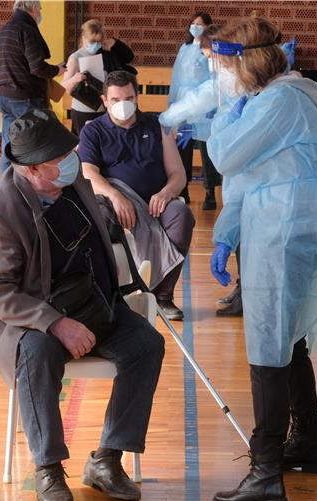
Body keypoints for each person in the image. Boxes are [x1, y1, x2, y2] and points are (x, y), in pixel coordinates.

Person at [0, 109, 165, 501]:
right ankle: (48, 469)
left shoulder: (70, 178)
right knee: (37, 355)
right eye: (59, 159)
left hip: (95, 302)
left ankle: (107, 460)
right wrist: (55, 323)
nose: (70, 161)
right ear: (31, 169)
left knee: (147, 345)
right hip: (37, 318)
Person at [206, 17, 317, 501]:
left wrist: (226, 105)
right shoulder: (274, 99)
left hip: (284, 225)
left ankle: (265, 472)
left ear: (248, 62)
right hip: (277, 217)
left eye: (228, 64)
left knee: (267, 338)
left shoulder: (281, 100)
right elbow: (245, 173)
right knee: (287, 336)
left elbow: (224, 156)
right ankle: (304, 440)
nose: (226, 74)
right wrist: (226, 234)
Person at [79, 71, 195, 321]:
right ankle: (117, 295)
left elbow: (178, 174)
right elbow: (88, 172)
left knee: (182, 216)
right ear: (105, 100)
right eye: (116, 99)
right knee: (102, 217)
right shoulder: (93, 130)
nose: (123, 104)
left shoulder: (157, 126)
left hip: (155, 202)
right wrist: (115, 196)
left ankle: (162, 297)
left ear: (137, 96)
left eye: (129, 98)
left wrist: (166, 193)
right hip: (114, 200)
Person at [0, 0, 66, 173]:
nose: (40, 13)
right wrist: (57, 70)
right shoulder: (27, 29)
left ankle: (6, 187)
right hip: (26, 98)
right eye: (40, 9)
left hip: (5, 97)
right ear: (33, 8)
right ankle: (36, 188)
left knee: (9, 146)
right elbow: (37, 67)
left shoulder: (4, 30)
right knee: (37, 147)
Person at [161, 24, 223, 211]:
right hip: (197, 114)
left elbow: (201, 98)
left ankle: (210, 190)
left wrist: (164, 119)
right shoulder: (186, 49)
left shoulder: (226, 79)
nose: (207, 60)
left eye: (209, 56)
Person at [168, 12, 214, 205]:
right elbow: (176, 77)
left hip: (202, 101)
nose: (195, 27)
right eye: (193, 23)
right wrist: (172, 103)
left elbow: (214, 75)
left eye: (200, 24)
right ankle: (183, 187)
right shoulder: (184, 48)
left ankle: (210, 190)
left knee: (206, 147)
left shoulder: (210, 49)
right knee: (183, 146)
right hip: (184, 101)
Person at [62, 19, 135, 135]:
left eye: (98, 41)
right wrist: (75, 79)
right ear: (83, 38)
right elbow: (64, 86)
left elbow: (129, 57)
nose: (95, 45)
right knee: (86, 144)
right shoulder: (75, 57)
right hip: (84, 110)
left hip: (104, 109)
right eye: (92, 41)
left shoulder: (105, 52)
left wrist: (115, 43)